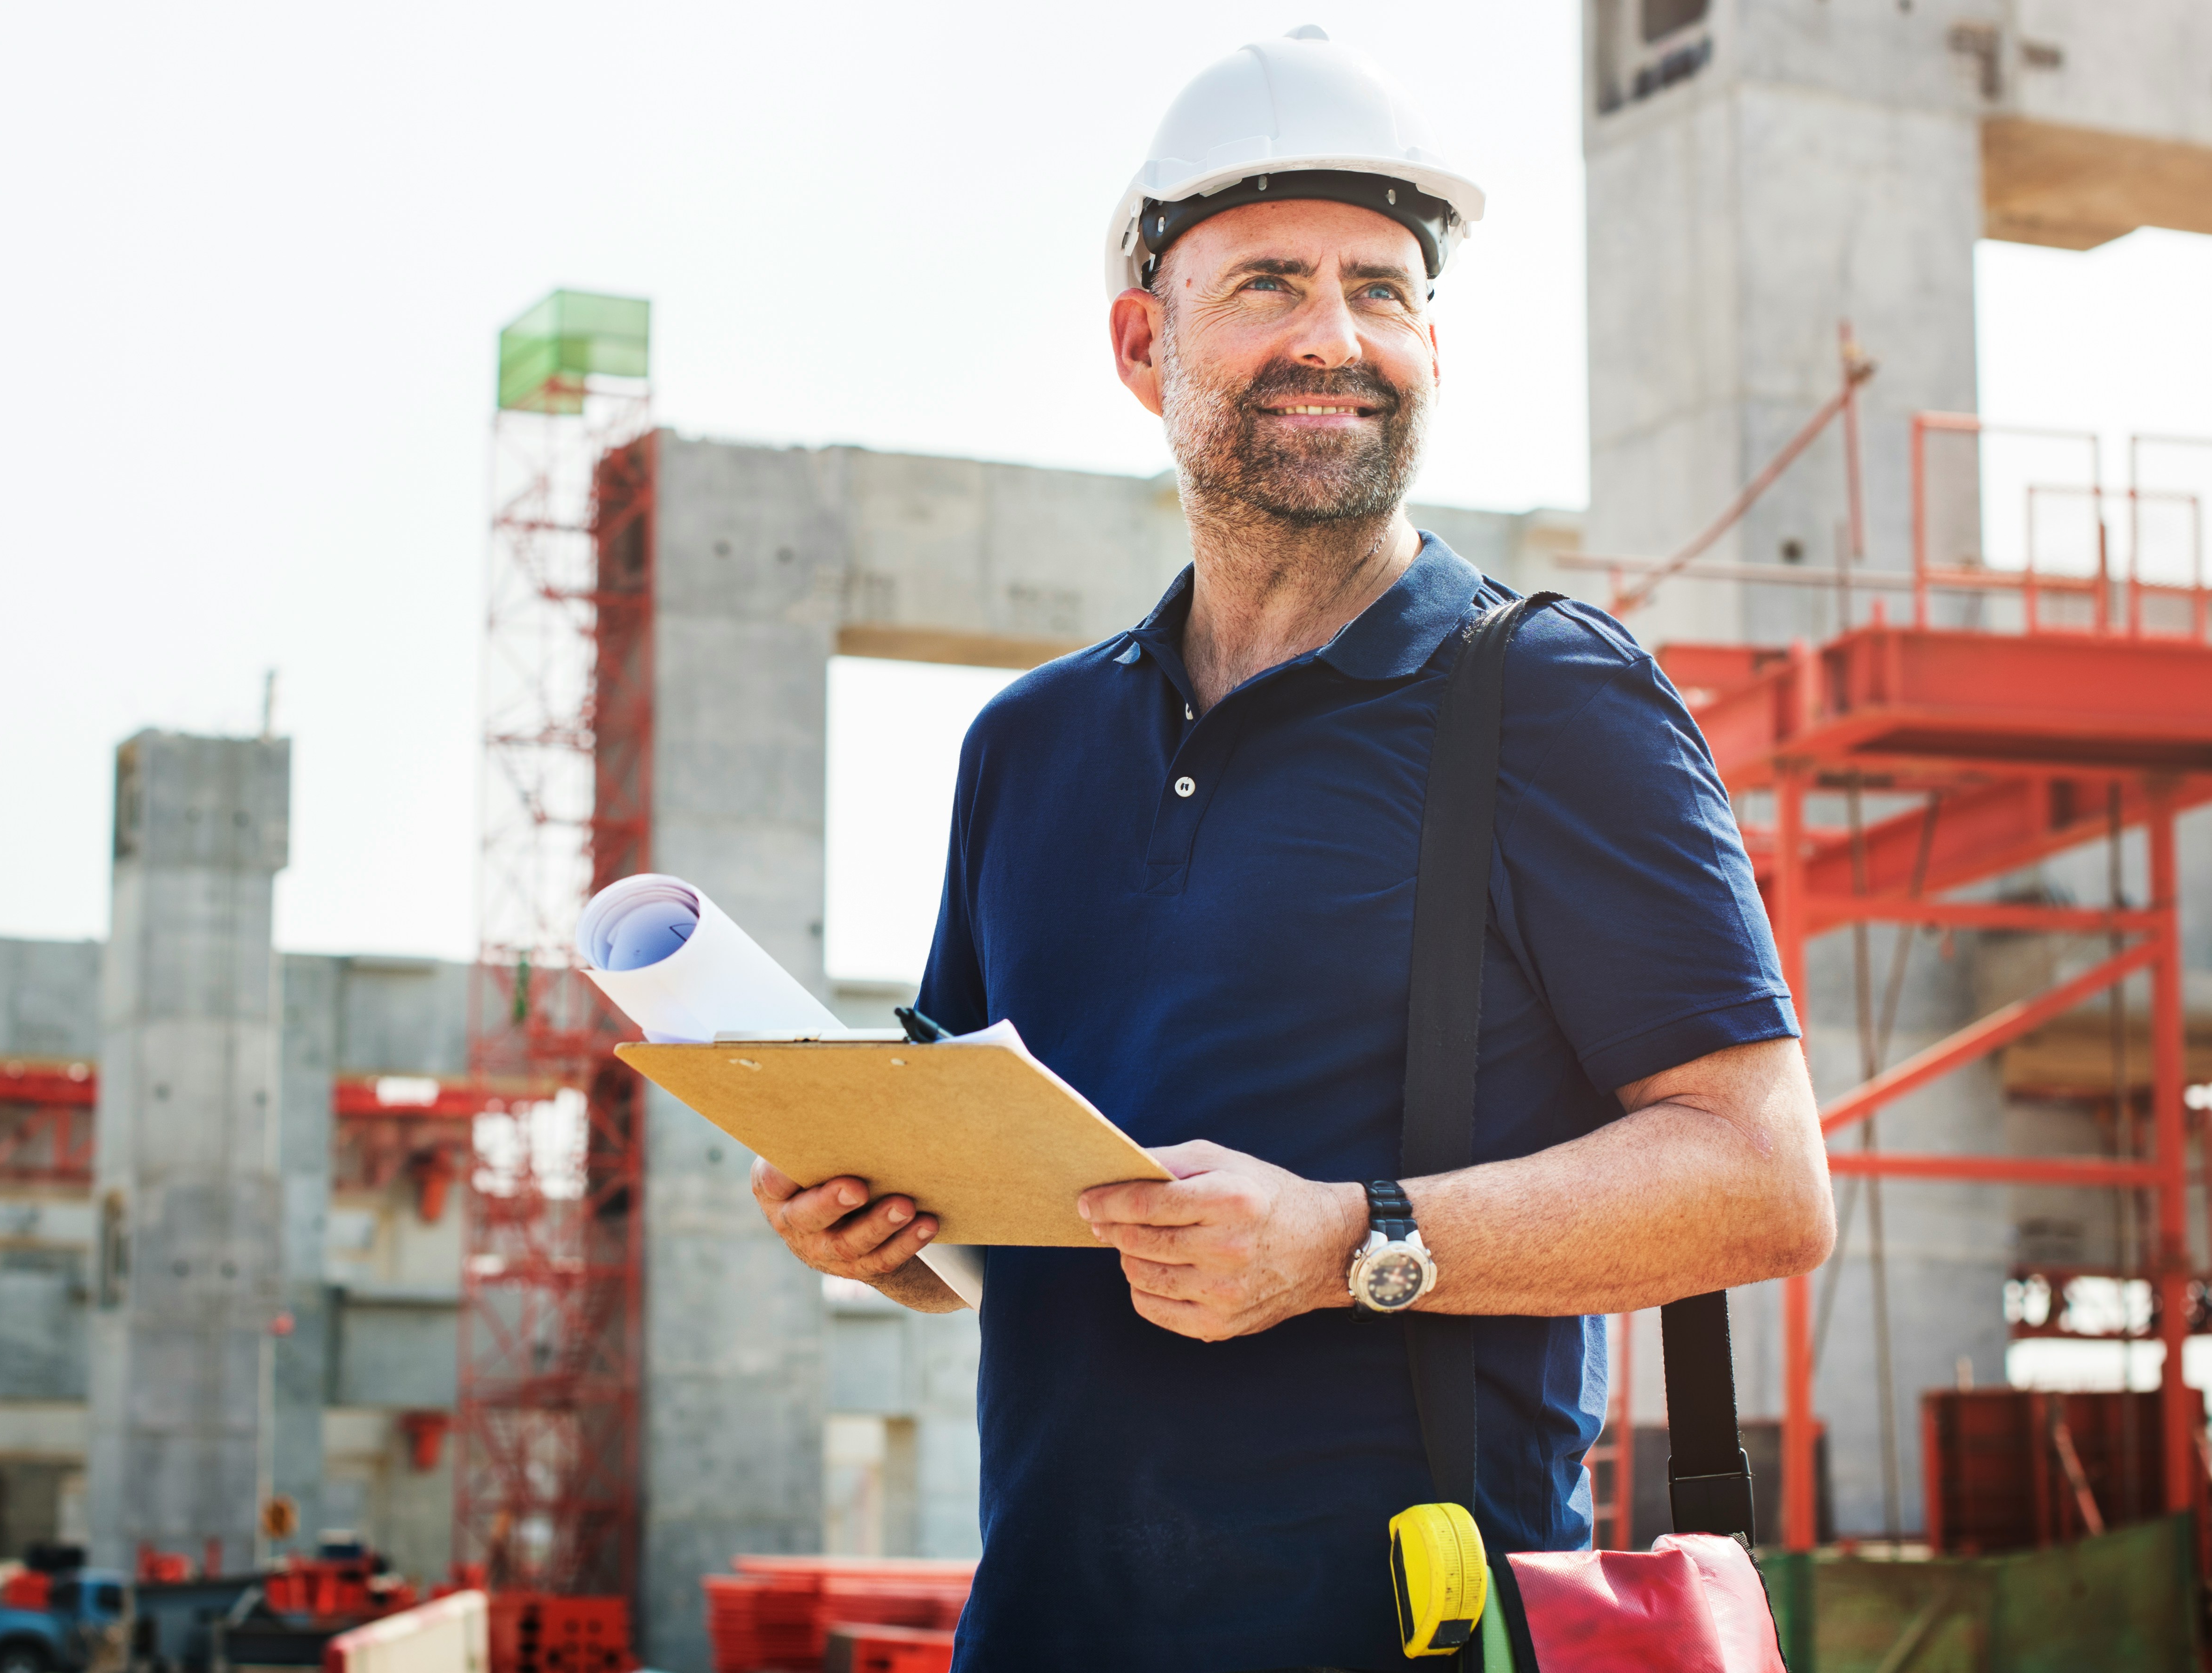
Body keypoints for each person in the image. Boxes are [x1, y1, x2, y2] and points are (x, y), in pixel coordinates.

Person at [750, 27, 1834, 1673]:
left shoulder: (1546, 698)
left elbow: (1760, 1182)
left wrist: (1349, 1241)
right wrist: (873, 1227)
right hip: (1047, 1629)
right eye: (1267, 281)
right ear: (1142, 341)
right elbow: (997, 1237)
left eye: (1381, 289)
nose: (1335, 338)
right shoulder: (1027, 749)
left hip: (1406, 1636)